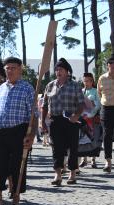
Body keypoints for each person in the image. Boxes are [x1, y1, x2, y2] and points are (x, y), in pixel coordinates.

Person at [0, 57, 35, 205]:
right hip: (0, 131)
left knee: (17, 166)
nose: (10, 71)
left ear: (20, 70)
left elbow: (34, 114)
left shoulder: (27, 88)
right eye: (8, 68)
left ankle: (16, 196)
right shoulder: (2, 88)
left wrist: (31, 135)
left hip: (20, 131)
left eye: (13, 68)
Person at [42, 58, 84, 186]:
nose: (58, 72)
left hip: (71, 120)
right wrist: (42, 121)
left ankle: (72, 173)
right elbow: (44, 105)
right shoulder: (50, 85)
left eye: (61, 69)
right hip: (55, 120)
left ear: (67, 71)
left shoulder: (75, 85)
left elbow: (81, 104)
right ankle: (58, 174)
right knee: (57, 147)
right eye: (56, 69)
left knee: (73, 147)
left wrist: (77, 115)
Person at [79, 72, 100, 169]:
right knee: (83, 139)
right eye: (84, 81)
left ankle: (93, 159)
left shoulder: (96, 91)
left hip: (92, 118)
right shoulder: (81, 91)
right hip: (82, 119)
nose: (86, 83)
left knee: (93, 138)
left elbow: (98, 104)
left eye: (88, 81)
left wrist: (91, 113)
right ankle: (84, 159)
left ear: (92, 81)